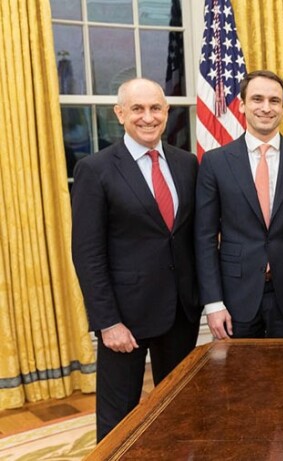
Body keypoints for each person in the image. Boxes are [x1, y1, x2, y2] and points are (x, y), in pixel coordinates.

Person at [71, 78, 201, 442]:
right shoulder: (96, 170)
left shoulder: (186, 163)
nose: (148, 117)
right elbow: (87, 252)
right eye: (138, 109)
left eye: (155, 108)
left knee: (178, 408)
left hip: (181, 312)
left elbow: (190, 237)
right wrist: (107, 321)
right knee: (119, 418)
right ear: (120, 114)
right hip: (124, 317)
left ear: (166, 112)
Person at [196, 70, 283, 340]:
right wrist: (213, 303)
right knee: (239, 379)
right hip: (235, 297)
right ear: (242, 105)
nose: (266, 108)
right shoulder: (215, 162)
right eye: (257, 99)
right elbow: (205, 238)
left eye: (274, 100)